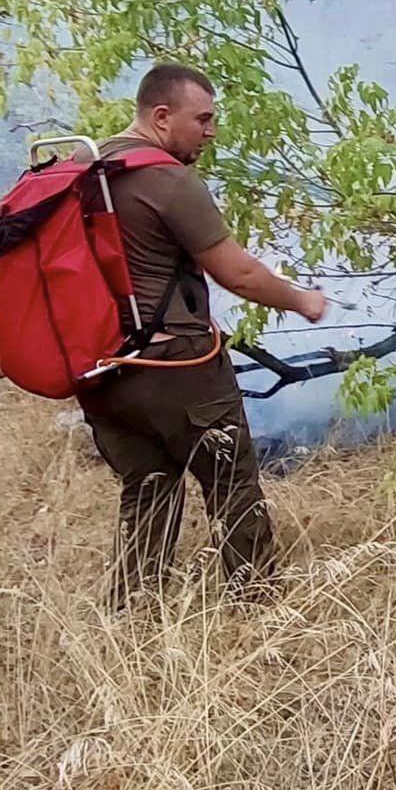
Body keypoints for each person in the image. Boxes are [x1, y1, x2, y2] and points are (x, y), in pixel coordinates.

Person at [75, 61, 327, 607]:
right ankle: (256, 611)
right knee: (232, 485)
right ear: (161, 116)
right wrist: (302, 299)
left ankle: (134, 617)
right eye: (203, 119)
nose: (211, 132)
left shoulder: (83, 168)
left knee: (147, 491)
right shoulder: (166, 179)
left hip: (100, 372)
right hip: (175, 366)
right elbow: (237, 273)